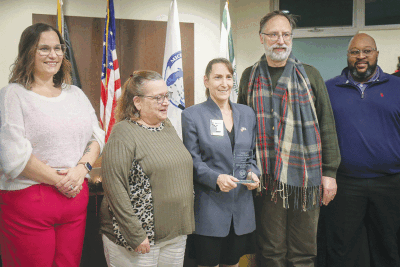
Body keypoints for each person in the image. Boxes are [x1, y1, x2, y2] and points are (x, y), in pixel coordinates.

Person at [238, 11, 341, 267]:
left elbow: (327, 125)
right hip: (265, 178)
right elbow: (242, 129)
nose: (280, 40)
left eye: (286, 34)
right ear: (262, 38)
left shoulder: (310, 75)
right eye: (273, 34)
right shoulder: (248, 77)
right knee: (270, 250)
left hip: (305, 179)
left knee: (303, 251)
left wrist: (330, 173)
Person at [0, 23, 104, 266]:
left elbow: (97, 135)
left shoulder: (75, 94)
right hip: (30, 199)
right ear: (28, 53)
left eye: (58, 48)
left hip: (74, 197)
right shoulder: (12, 95)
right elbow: (14, 154)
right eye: (44, 49)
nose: (53, 55)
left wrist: (81, 170)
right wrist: (61, 181)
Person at [99, 70, 195, 267]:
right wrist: (135, 233)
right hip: (139, 239)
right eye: (158, 98)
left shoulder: (166, 126)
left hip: (175, 234)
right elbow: (114, 187)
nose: (166, 102)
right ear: (137, 102)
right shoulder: (123, 132)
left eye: (166, 96)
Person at [325, 33, 400, 267]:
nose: (361, 56)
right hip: (345, 184)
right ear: (348, 56)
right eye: (355, 52)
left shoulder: (397, 87)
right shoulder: (329, 89)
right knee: (343, 249)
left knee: (390, 246)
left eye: (367, 51)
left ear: (376, 53)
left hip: (391, 183)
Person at [182, 58, 260, 267]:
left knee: (233, 263)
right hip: (210, 208)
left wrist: (254, 174)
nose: (224, 83)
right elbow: (192, 161)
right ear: (206, 81)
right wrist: (216, 178)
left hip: (241, 210)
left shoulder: (247, 113)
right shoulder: (192, 115)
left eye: (228, 77)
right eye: (218, 77)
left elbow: (251, 156)